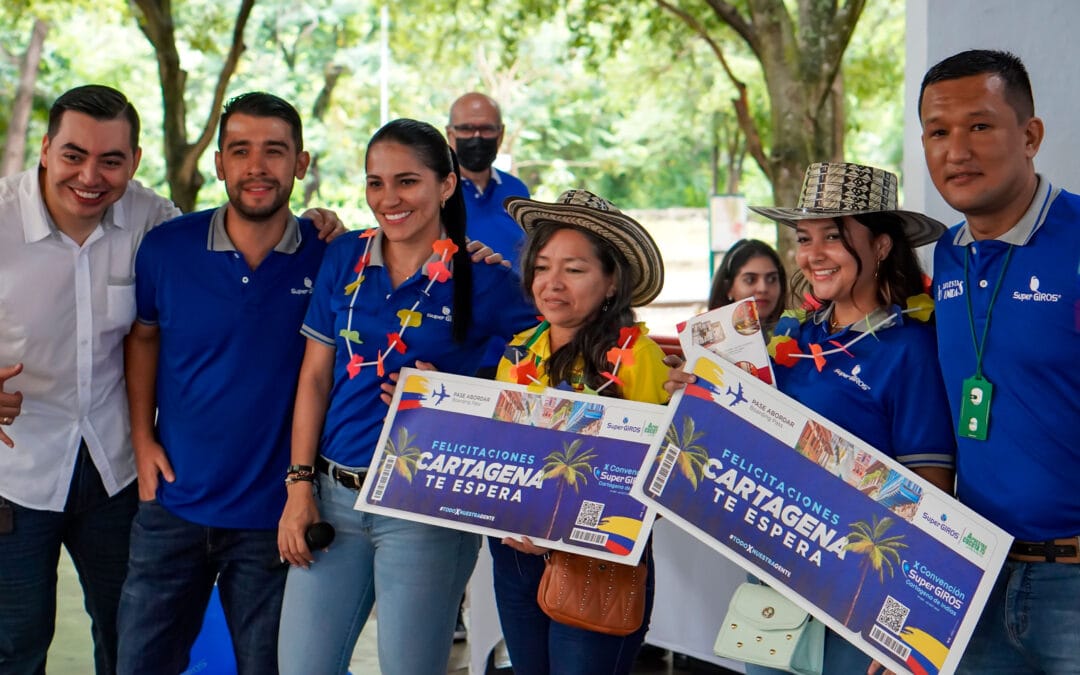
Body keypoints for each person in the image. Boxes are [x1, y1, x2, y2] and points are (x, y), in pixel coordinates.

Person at [670, 162, 956, 674]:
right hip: (772, 576)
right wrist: (696, 396)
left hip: (859, 595)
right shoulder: (792, 335)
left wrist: (903, 622)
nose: (813, 254)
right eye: (804, 238)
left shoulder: (910, 348)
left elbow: (930, 491)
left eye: (833, 237)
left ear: (882, 246)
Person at [275, 118, 537, 675]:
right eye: (376, 183)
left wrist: (459, 398)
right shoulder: (344, 256)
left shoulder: (485, 278)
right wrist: (299, 487)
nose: (388, 199)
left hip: (425, 505)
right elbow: (315, 377)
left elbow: (548, 372)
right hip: (333, 496)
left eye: (407, 181)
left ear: (446, 185)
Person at [116, 92, 337, 675]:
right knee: (139, 663)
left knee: (269, 666)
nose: (256, 166)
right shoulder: (167, 247)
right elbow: (143, 339)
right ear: (219, 164)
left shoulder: (331, 257)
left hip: (276, 517)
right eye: (240, 151)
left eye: (274, 151)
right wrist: (141, 437)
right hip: (173, 504)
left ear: (301, 163)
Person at [0, 85, 180, 675]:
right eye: (74, 155)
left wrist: (313, 228)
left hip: (115, 467)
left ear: (135, 161)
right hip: (13, 473)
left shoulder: (152, 219)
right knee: (15, 646)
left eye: (111, 160)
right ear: (45, 149)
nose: (90, 177)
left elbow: (227, 249)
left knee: (133, 642)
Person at [917, 49, 1080, 675]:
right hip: (976, 576)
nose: (956, 151)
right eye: (938, 132)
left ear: (1030, 136)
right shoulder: (948, 255)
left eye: (980, 125)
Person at [488, 189, 670, 675]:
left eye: (574, 269)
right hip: (515, 557)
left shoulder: (637, 359)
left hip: (597, 565)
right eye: (542, 267)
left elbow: (653, 486)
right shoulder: (519, 351)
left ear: (612, 283)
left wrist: (560, 532)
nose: (552, 283)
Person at [447, 92, 530, 267]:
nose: (477, 137)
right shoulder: (437, 191)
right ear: (450, 134)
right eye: (467, 129)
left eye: (486, 129)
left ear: (500, 134)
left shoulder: (517, 190)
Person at [707, 238, 788, 328]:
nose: (763, 288)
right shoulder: (709, 334)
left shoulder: (794, 332)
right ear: (728, 287)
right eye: (750, 280)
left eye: (772, 279)